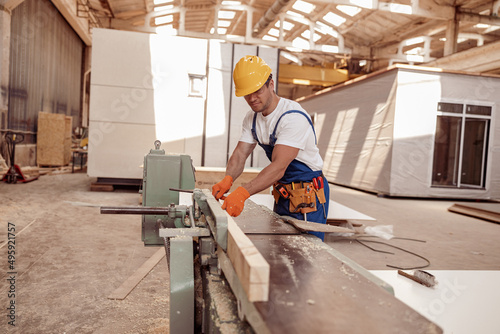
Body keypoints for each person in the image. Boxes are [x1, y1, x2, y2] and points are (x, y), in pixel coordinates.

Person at [212, 55, 330, 240]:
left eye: (257, 90)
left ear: (271, 84)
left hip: (308, 197)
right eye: (247, 93)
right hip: (283, 194)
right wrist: (228, 179)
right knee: (280, 246)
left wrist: (242, 193)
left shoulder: (292, 117)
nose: (252, 98)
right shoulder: (252, 119)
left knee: (307, 253)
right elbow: (240, 153)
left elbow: (278, 167)